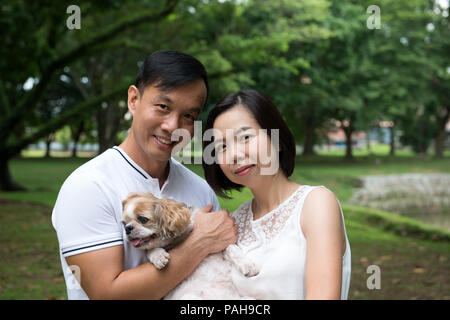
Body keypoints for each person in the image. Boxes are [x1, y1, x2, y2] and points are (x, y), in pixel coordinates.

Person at [51, 50, 238, 300]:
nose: (172, 126)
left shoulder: (200, 190)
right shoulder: (88, 186)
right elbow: (107, 294)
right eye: (163, 107)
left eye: (188, 116)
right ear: (133, 99)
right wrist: (199, 242)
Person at [202, 89, 351, 299]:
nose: (234, 155)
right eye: (222, 146)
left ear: (277, 139)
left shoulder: (316, 203)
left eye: (245, 137)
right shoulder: (234, 222)